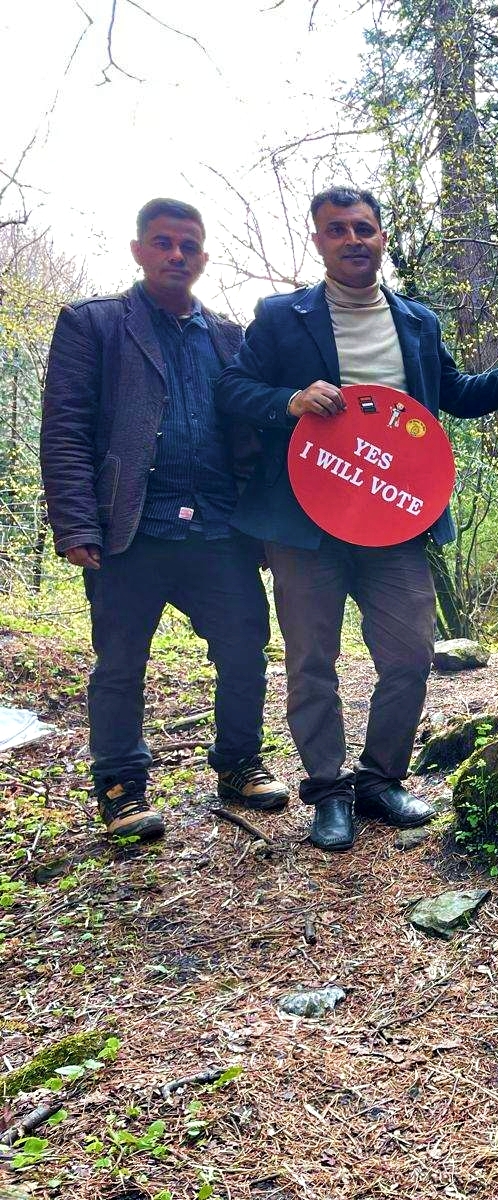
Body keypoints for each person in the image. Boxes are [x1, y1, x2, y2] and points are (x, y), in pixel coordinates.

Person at [216, 186, 498, 852]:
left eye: (364, 228)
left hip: (397, 519)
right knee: (311, 660)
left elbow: (455, 395)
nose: (353, 239)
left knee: (407, 656)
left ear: (381, 237)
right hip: (303, 521)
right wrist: (288, 400)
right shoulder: (280, 317)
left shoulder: (417, 321)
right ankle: (327, 793)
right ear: (317, 240)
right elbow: (232, 389)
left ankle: (380, 781)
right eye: (337, 229)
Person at [41, 198, 289, 841]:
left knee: (244, 651)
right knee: (120, 662)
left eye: (189, 246)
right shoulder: (92, 325)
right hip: (132, 529)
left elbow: (256, 434)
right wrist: (75, 523)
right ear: (138, 250)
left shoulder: (232, 338)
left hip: (218, 528)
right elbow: (65, 430)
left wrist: (263, 523)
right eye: (162, 243)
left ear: (204, 257)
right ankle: (121, 788)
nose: (176, 255)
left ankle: (239, 766)